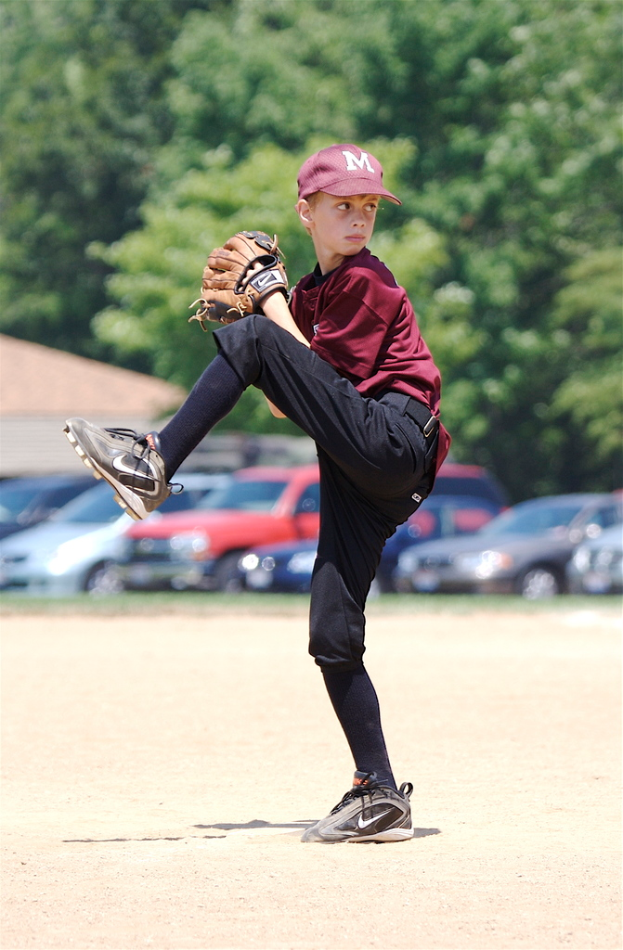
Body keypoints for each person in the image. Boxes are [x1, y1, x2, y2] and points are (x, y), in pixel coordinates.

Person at [64, 144, 450, 843]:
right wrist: (279, 304)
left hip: (392, 438)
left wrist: (267, 305)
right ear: (306, 212)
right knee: (331, 635)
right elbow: (292, 401)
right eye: (342, 206)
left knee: (248, 340)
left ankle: (153, 462)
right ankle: (379, 790)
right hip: (357, 466)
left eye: (367, 207)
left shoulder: (369, 280)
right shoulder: (306, 296)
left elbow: (302, 366)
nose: (358, 219)